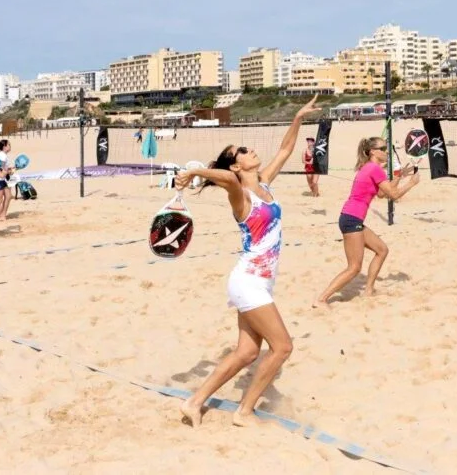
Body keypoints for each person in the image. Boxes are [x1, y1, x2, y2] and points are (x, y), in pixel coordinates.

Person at [172, 96, 321, 428]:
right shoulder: (241, 195)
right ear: (236, 166)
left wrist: (297, 117)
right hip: (249, 281)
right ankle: (244, 412)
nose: (249, 151)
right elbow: (226, 180)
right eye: (242, 151)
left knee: (246, 354)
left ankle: (194, 403)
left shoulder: (264, 183)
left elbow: (284, 150)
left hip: (261, 280)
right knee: (282, 347)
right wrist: (196, 170)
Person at [314, 137, 420, 307]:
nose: (386, 152)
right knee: (354, 268)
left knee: (382, 250)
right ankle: (321, 299)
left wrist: (400, 176)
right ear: (372, 151)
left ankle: (368, 290)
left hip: (352, 218)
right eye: (383, 148)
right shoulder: (374, 169)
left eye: (386, 148)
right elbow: (394, 195)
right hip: (351, 219)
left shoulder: (370, 168)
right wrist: (412, 184)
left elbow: (381, 194)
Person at [0, 139, 15, 220]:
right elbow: (0, 169)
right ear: (4, 146)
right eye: (9, 145)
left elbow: (3, 168)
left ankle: (2, 215)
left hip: (2, 180)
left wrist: (11, 169)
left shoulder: (2, 155)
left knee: (8, 196)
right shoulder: (2, 156)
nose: (10, 146)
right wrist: (10, 172)